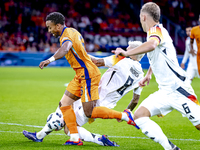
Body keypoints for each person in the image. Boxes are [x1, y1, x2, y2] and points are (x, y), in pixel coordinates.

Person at [38, 12, 137, 145]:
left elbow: (66, 48)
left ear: (58, 26)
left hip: (88, 75)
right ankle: (71, 138)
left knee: (88, 113)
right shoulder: (73, 31)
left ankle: (124, 116)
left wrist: (49, 60)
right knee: (64, 104)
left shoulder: (66, 37)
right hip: (81, 74)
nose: (49, 31)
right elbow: (136, 98)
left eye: (50, 27)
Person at [112, 2, 200, 150]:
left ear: (144, 16)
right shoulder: (156, 33)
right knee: (140, 116)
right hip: (165, 91)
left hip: (178, 89)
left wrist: (126, 53)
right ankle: (170, 148)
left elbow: (152, 45)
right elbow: (158, 53)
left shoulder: (156, 30)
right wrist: (149, 74)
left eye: (140, 18)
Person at [23, 41, 144, 146]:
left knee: (68, 127)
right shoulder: (141, 75)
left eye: (128, 49)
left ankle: (98, 139)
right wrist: (128, 110)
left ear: (133, 52)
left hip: (94, 97)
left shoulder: (122, 60)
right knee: (64, 106)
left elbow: (96, 62)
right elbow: (135, 100)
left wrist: (78, 51)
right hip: (106, 105)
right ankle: (39, 136)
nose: (125, 49)